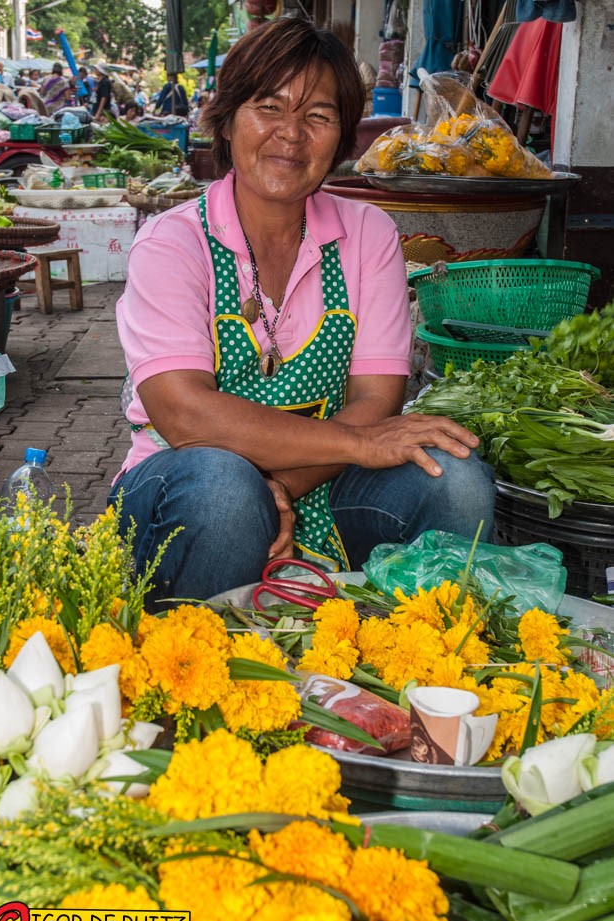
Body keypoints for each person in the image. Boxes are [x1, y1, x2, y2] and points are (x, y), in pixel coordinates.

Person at [110, 17, 495, 610]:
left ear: (341, 137)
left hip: (322, 480)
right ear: (227, 119)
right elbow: (185, 413)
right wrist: (353, 448)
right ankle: (183, 653)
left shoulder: (367, 235)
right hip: (182, 488)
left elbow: (377, 399)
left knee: (455, 476)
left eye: (318, 115)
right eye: (268, 107)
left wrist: (280, 490)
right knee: (224, 488)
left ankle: (414, 650)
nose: (291, 134)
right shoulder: (173, 243)